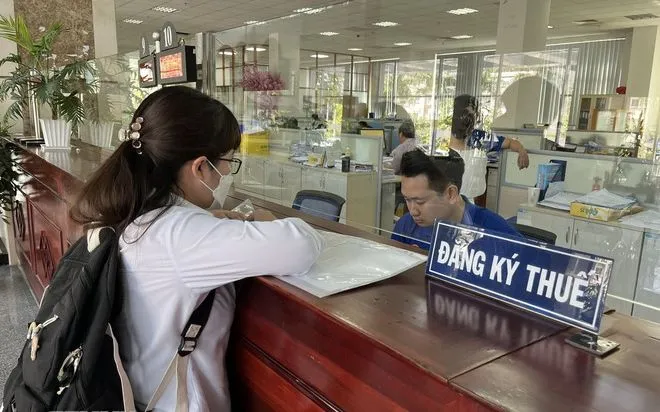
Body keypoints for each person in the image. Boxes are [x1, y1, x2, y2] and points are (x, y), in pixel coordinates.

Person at [70, 86, 325, 411]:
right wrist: (262, 219)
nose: (226, 174)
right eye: (228, 161)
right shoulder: (180, 234)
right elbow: (302, 245)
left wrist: (206, 221)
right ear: (200, 166)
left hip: (138, 396)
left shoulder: (133, 211)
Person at [391, 149, 520, 250]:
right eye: (407, 199)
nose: (413, 211)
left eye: (420, 202)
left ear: (451, 194)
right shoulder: (406, 226)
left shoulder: (494, 232)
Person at [450, 94, 529, 199]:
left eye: (473, 114)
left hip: (471, 199)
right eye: (466, 114)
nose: (470, 118)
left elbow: (510, 142)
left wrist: (522, 150)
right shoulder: (445, 138)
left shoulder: (479, 137)